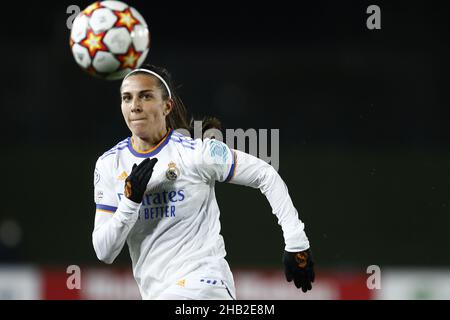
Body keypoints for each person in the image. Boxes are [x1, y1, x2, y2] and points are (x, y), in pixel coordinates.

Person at [92, 64, 315, 300]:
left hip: (205, 285)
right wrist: (130, 203)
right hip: (157, 292)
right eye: (127, 98)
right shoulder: (109, 164)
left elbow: (265, 174)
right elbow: (104, 251)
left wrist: (296, 241)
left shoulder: (197, 153)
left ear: (167, 106)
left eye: (146, 96)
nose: (135, 106)